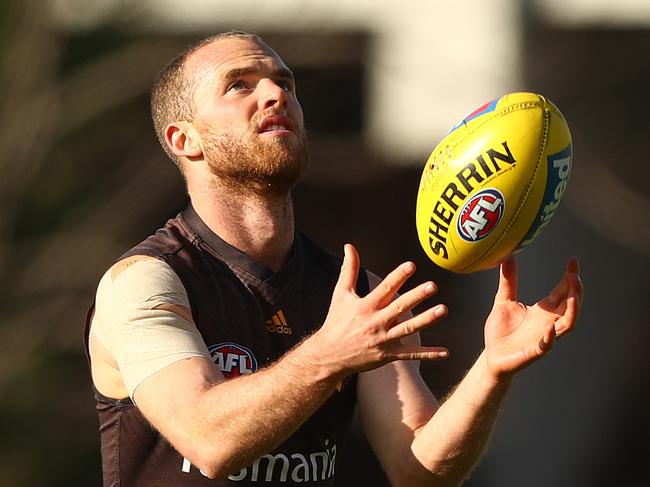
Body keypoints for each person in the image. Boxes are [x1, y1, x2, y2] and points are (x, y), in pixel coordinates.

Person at [84, 31, 583, 486]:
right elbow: (209, 443)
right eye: (239, 86)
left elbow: (418, 469)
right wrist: (332, 354)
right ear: (183, 139)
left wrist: (492, 370)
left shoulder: (357, 295)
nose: (276, 94)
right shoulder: (146, 281)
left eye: (284, 82)